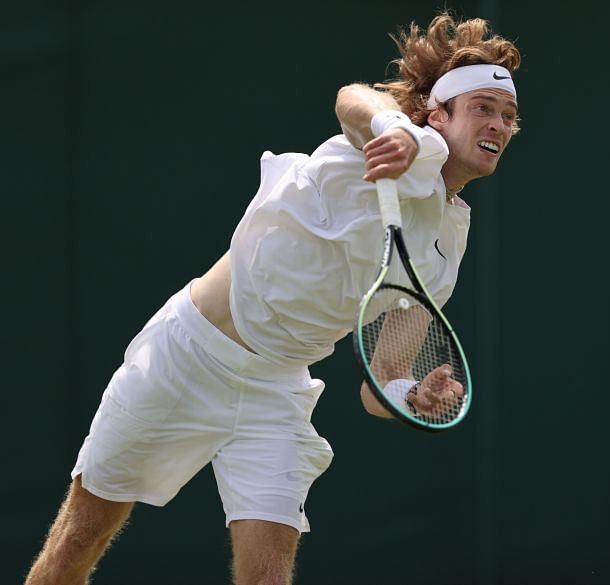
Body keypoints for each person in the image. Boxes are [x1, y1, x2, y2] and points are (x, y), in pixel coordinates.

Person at [25, 11, 521, 585]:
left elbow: (378, 384)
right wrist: (393, 126)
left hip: (275, 391)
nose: (500, 124)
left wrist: (412, 394)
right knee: (78, 542)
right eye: (483, 107)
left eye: (509, 116)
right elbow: (349, 97)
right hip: (185, 354)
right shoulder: (389, 143)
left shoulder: (445, 250)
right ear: (438, 114)